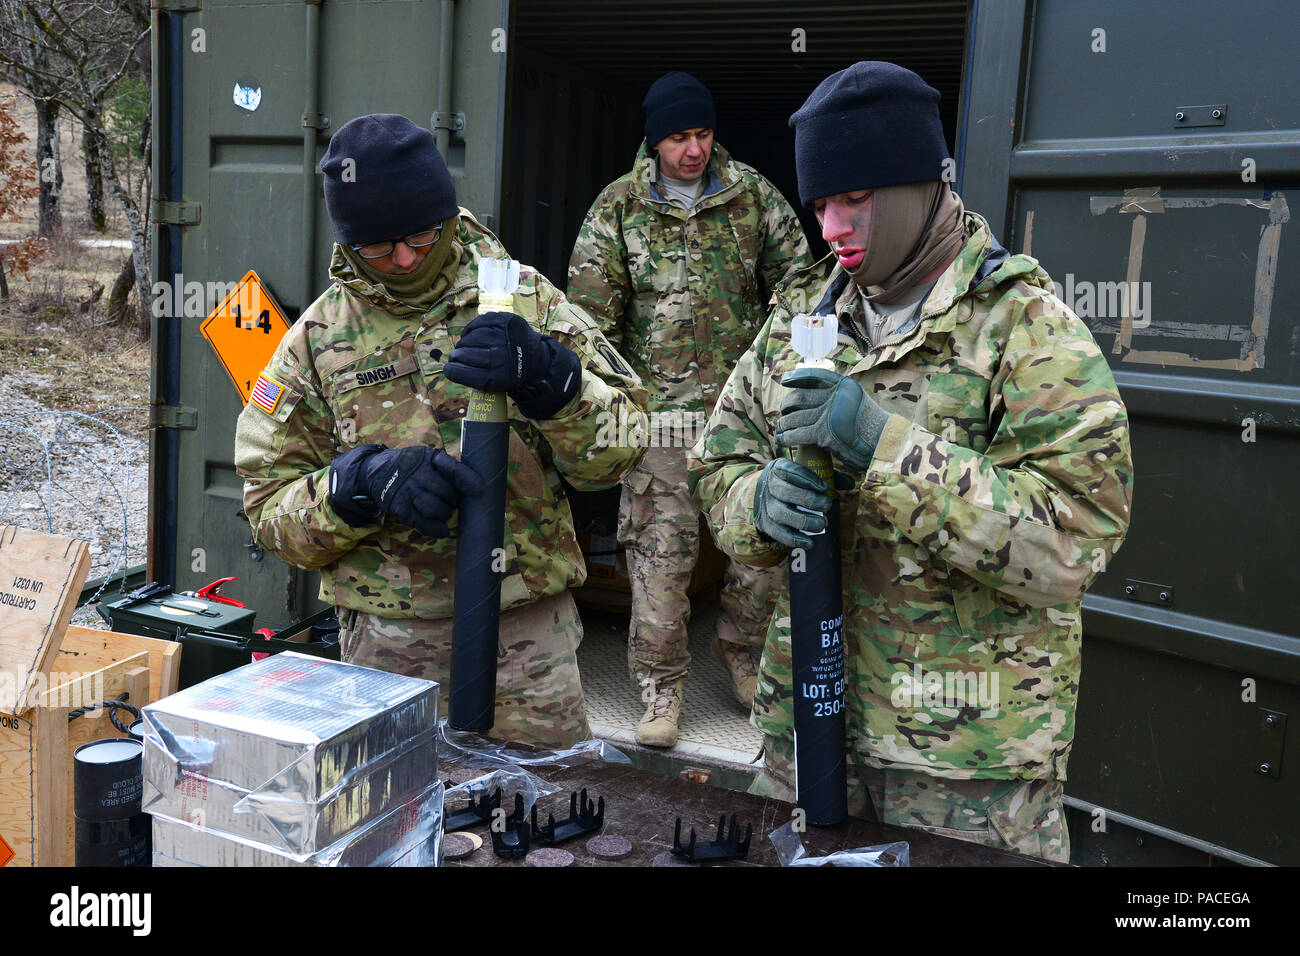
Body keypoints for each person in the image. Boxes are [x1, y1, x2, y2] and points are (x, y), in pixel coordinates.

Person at [688, 62, 1134, 861]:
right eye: (820, 203)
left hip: (964, 767)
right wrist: (755, 504)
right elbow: (717, 458)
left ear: (915, 186)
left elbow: (1073, 540)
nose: (831, 228)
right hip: (809, 732)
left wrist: (882, 447)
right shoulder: (803, 317)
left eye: (853, 199)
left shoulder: (1025, 326)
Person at [234, 113, 648, 749]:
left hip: (525, 642)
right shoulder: (312, 344)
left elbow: (620, 451)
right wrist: (359, 487)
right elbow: (269, 512)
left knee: (544, 824)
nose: (402, 259)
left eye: (422, 237)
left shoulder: (527, 302)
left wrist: (552, 382)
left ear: (449, 218)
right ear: (347, 244)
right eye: (377, 246)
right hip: (386, 652)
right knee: (396, 831)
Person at [567, 71, 814, 748]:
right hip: (662, 423)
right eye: (679, 136)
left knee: (758, 554)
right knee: (659, 560)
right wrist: (620, 409)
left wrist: (777, 379)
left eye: (703, 133)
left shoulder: (754, 197)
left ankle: (744, 657)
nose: (694, 149)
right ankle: (660, 690)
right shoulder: (618, 208)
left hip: (744, 415)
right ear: (655, 141)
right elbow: (589, 324)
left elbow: (800, 291)